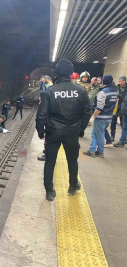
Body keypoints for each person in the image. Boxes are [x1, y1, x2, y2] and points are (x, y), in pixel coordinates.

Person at [36, 58, 91, 201]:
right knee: (72, 160)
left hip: (53, 132)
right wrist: (81, 129)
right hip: (72, 133)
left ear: (57, 73)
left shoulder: (50, 91)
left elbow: (41, 114)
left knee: (50, 162)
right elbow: (87, 112)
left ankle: (49, 191)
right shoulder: (81, 91)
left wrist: (41, 132)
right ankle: (73, 186)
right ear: (71, 73)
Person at [83, 75, 118, 158]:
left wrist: (93, 117)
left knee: (99, 134)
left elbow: (99, 107)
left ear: (103, 82)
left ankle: (100, 151)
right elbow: (115, 103)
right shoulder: (115, 91)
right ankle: (91, 150)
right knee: (94, 133)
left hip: (101, 116)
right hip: (109, 116)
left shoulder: (103, 92)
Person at [111, 76, 126, 142]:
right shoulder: (116, 88)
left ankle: (123, 138)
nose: (121, 82)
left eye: (122, 81)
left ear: (125, 81)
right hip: (116, 107)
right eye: (119, 81)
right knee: (113, 123)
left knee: (123, 124)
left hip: (123, 108)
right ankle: (112, 136)